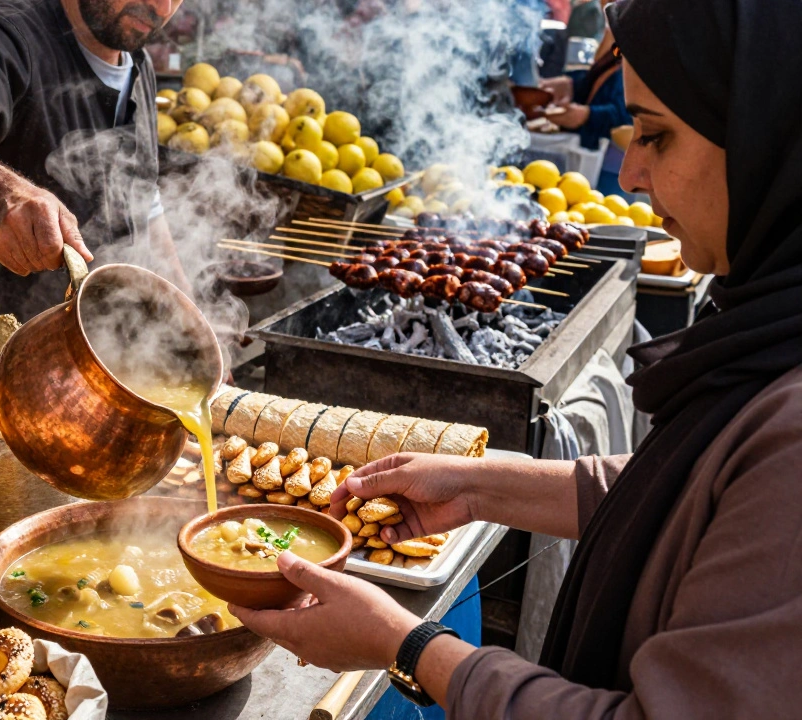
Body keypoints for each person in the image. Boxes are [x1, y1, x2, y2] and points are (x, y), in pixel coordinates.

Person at [230, 0, 802, 716]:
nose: (629, 175)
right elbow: (703, 497)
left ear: (770, 137)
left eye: (657, 137)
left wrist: (406, 647)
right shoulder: (772, 334)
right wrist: (483, 486)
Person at [0, 0, 189, 325]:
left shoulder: (138, 60)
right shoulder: (3, 35)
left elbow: (145, 198)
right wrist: (4, 196)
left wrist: (190, 315)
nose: (162, 7)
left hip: (99, 340)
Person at [538, 0, 630, 194]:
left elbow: (628, 113)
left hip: (615, 162)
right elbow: (598, 75)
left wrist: (586, 115)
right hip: (594, 150)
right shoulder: (617, 41)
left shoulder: (641, 49)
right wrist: (570, 84)